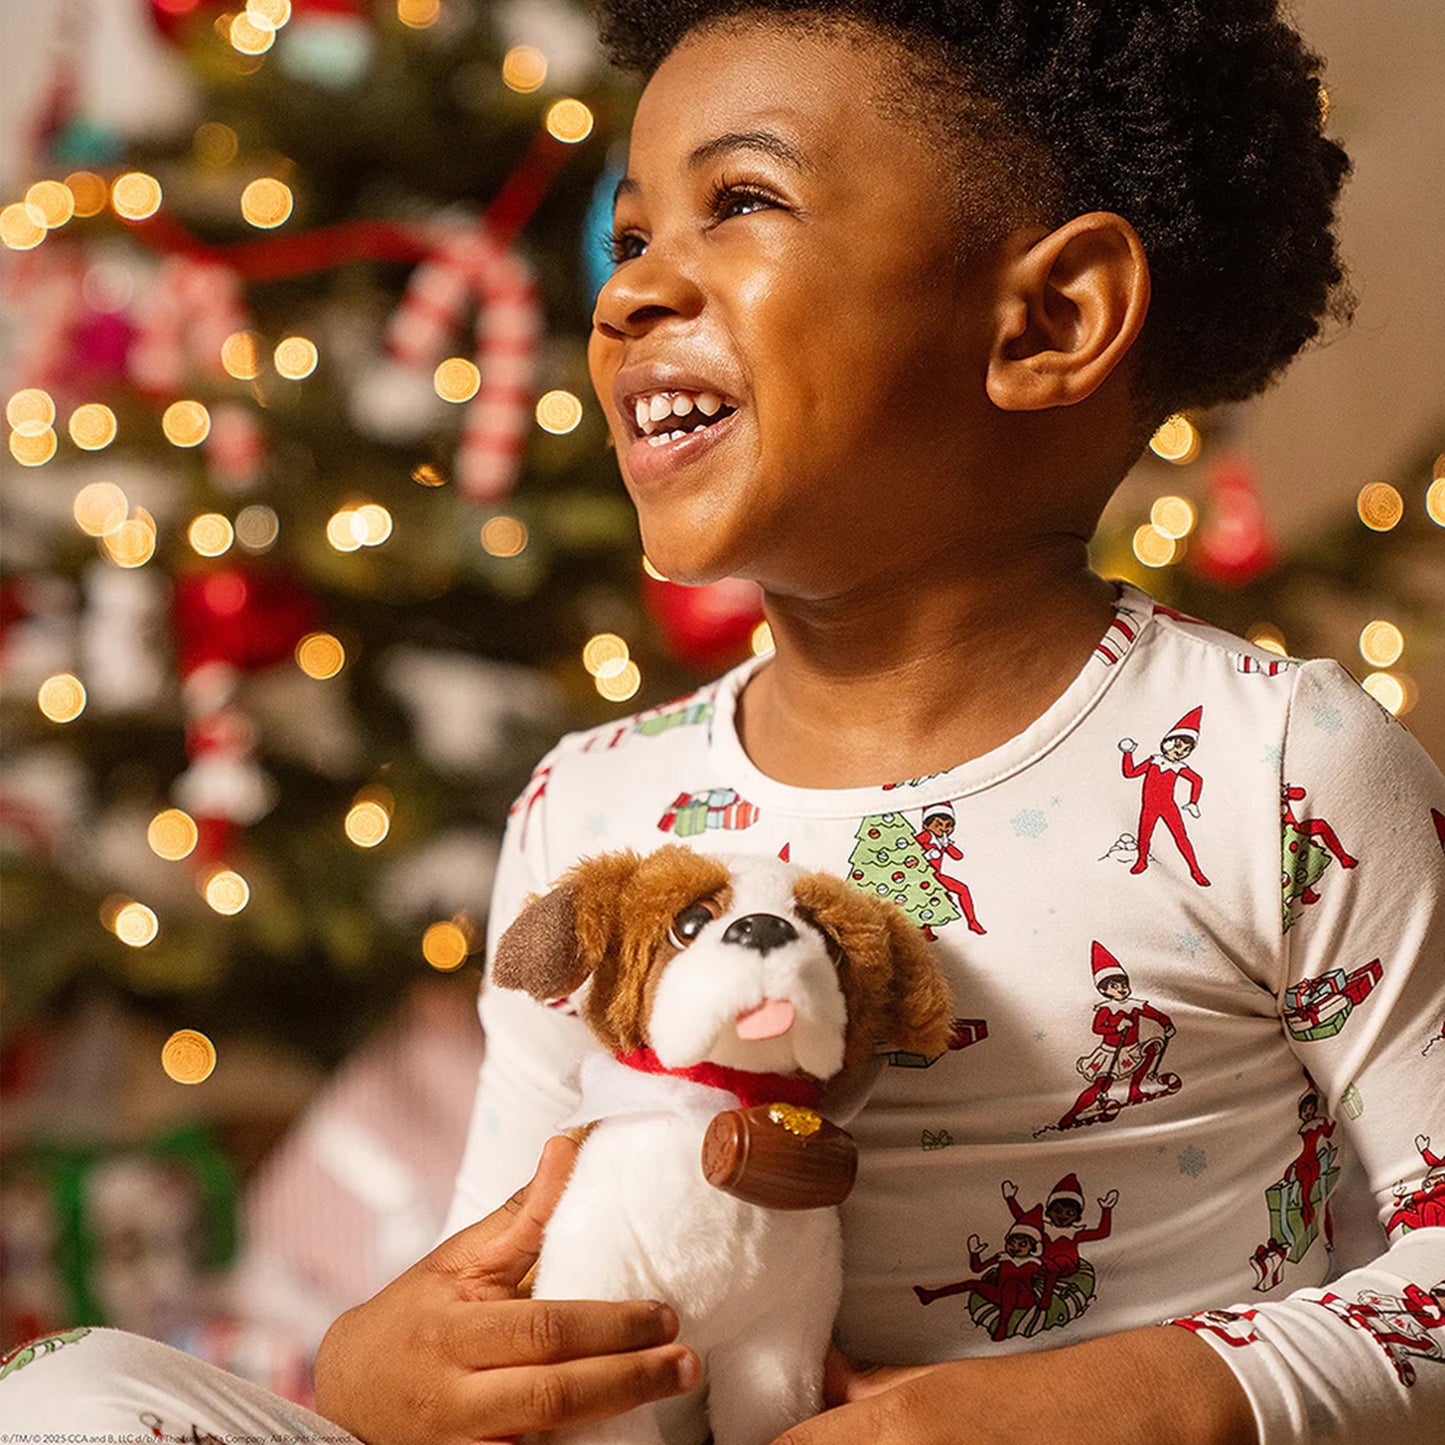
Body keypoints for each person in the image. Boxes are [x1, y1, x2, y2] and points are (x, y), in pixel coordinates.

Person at [5, 2, 1441, 1442]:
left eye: (739, 203)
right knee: (65, 1396)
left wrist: (1100, 1404)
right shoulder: (592, 802)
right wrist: (387, 1367)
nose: (626, 295)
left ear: (1047, 318)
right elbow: (513, 1264)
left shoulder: (1275, 767)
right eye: (627, 239)